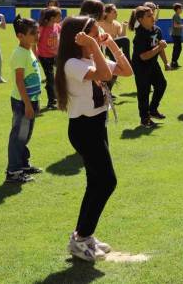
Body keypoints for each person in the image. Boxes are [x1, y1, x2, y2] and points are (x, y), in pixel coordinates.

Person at [55, 15, 132, 262]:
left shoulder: (90, 57)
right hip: (84, 128)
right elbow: (103, 74)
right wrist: (96, 47)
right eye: (92, 32)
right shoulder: (72, 64)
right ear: (79, 38)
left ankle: (83, 236)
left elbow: (126, 71)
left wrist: (111, 45)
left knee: (96, 182)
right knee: (107, 181)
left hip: (97, 125)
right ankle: (80, 238)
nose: (98, 35)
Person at [6, 16, 42, 184]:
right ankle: (13, 172)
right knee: (18, 137)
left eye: (37, 32)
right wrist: (27, 104)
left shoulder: (28, 50)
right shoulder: (20, 53)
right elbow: (20, 81)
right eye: (32, 33)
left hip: (31, 100)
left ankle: (23, 164)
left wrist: (34, 102)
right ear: (20, 36)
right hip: (22, 102)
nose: (36, 36)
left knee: (25, 135)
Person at [131, 6, 168, 127]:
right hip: (141, 66)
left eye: (153, 14)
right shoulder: (140, 35)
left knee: (161, 84)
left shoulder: (157, 30)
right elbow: (143, 56)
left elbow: (160, 48)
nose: (153, 17)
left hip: (153, 63)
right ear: (141, 20)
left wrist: (166, 62)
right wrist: (159, 47)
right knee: (144, 92)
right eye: (149, 16)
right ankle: (144, 119)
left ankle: (152, 110)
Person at [36, 7, 62, 110]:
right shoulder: (42, 28)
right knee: (50, 79)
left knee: (59, 76)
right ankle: (51, 102)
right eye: (59, 16)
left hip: (55, 56)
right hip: (45, 57)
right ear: (52, 18)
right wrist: (35, 55)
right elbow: (36, 41)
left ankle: (58, 97)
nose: (61, 17)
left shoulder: (56, 26)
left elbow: (62, 32)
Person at [170, 3, 183, 68]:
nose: (182, 9)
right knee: (177, 48)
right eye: (181, 8)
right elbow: (175, 25)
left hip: (177, 34)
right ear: (178, 9)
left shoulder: (177, 15)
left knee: (178, 48)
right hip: (176, 35)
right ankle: (173, 62)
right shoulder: (175, 16)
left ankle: (174, 61)